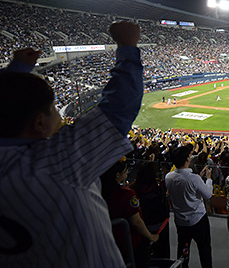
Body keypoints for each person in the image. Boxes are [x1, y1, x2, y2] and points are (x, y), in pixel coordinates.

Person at [0, 21, 143, 267]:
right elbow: (121, 106)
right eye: (54, 109)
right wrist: (128, 46)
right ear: (39, 123)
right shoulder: (56, 162)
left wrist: (16, 72)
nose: (59, 114)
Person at [101, 159, 159, 268]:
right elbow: (136, 222)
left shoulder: (102, 192)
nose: (127, 172)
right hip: (132, 242)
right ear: (117, 175)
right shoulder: (126, 194)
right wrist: (151, 236)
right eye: (125, 171)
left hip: (112, 241)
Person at [165, 143, 214, 268]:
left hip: (181, 221)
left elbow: (185, 187)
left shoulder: (168, 177)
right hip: (198, 220)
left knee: (183, 251)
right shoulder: (194, 179)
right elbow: (208, 195)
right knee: (204, 250)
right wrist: (208, 179)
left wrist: (199, 177)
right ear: (187, 159)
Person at [131, 161, 171, 259]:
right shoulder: (158, 190)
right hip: (160, 227)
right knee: (162, 256)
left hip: (143, 228)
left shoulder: (133, 189)